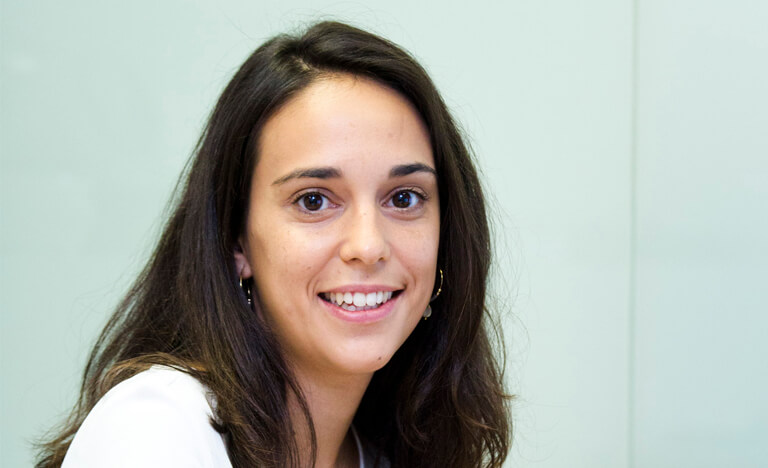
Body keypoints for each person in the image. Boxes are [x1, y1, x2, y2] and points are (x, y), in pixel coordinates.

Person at [36, 21, 511, 468]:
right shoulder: (155, 430)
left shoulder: (387, 454)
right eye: (313, 201)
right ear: (236, 240)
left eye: (404, 198)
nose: (369, 246)